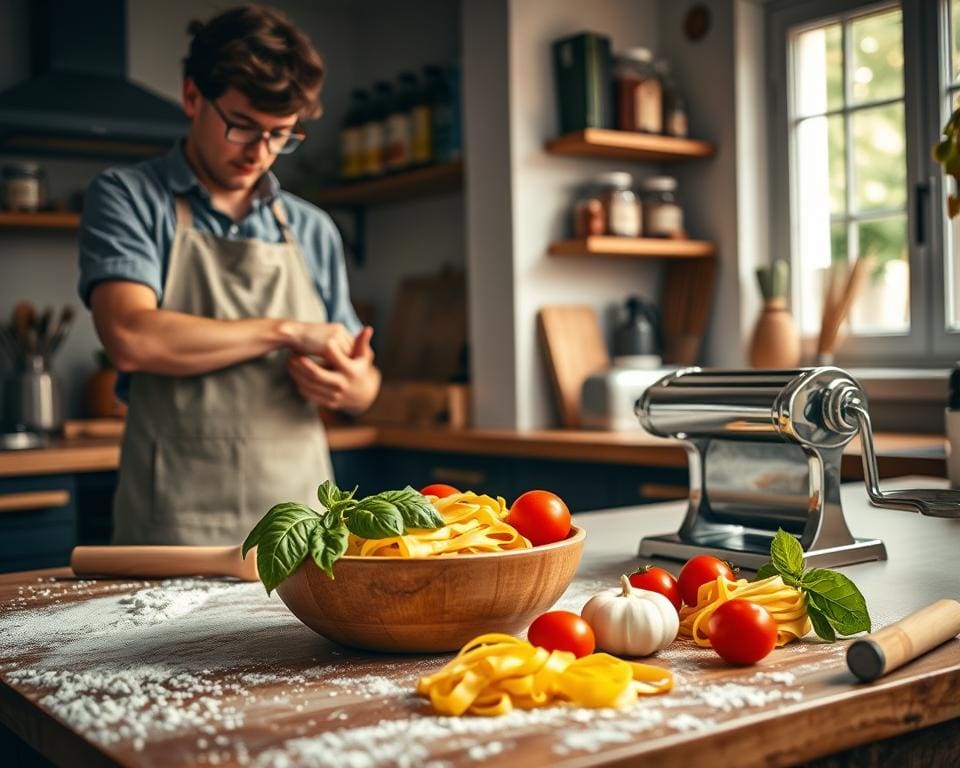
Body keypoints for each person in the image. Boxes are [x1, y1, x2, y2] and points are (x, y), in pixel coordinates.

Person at [78, 5, 380, 546]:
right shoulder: (127, 198)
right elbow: (131, 336)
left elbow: (362, 380)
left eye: (281, 135)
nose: (260, 152)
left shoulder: (312, 228)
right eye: (242, 126)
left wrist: (353, 386)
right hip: (173, 525)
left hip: (302, 525)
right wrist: (284, 330)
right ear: (193, 97)